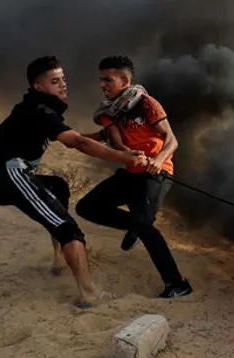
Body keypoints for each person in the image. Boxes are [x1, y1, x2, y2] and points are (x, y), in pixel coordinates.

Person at [0, 55, 148, 308]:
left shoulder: (38, 108)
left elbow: (74, 136)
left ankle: (59, 259)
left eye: (63, 79)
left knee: (58, 187)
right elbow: (76, 143)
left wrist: (102, 136)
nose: (63, 85)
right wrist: (123, 157)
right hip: (5, 175)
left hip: (2, 175)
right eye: (55, 81)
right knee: (69, 229)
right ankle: (89, 294)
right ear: (38, 86)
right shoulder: (40, 111)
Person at [76, 55, 192, 299]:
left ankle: (177, 284)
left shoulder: (146, 104)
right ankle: (135, 226)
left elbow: (172, 140)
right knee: (86, 207)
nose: (102, 85)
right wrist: (71, 138)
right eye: (101, 80)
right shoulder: (109, 112)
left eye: (108, 80)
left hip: (156, 175)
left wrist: (158, 162)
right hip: (130, 172)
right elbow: (105, 136)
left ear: (125, 80)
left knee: (145, 226)